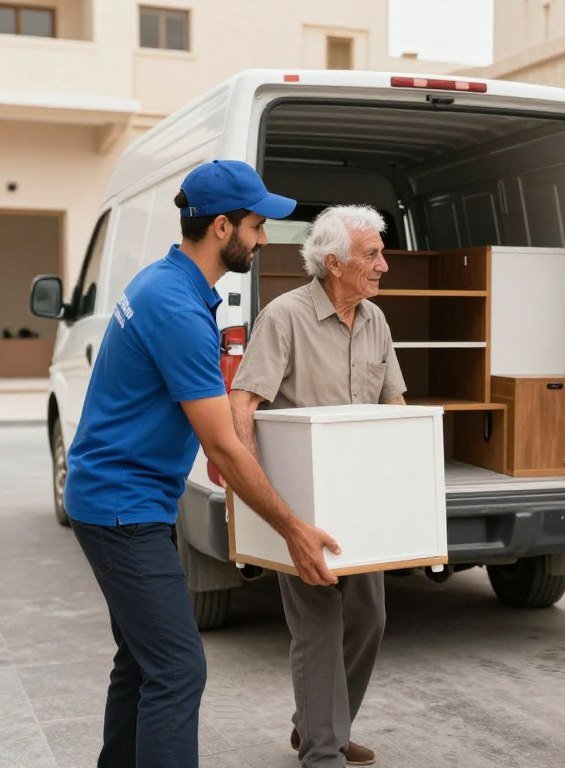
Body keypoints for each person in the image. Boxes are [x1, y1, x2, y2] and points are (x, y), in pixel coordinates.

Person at [64, 159, 341, 768]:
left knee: (141, 662)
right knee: (178, 670)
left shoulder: (168, 284)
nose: (265, 237)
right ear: (222, 228)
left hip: (124, 499)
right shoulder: (177, 310)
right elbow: (221, 447)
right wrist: (292, 528)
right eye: (257, 224)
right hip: (120, 508)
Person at [229, 204, 406, 768]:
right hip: (303, 502)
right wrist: (259, 504)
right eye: (372, 255)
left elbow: (395, 406)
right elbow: (243, 407)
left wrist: (406, 490)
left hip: (362, 498)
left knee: (368, 618)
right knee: (318, 624)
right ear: (333, 262)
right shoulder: (283, 317)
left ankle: (319, 724)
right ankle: (322, 752)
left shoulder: (376, 321)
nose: (384, 266)